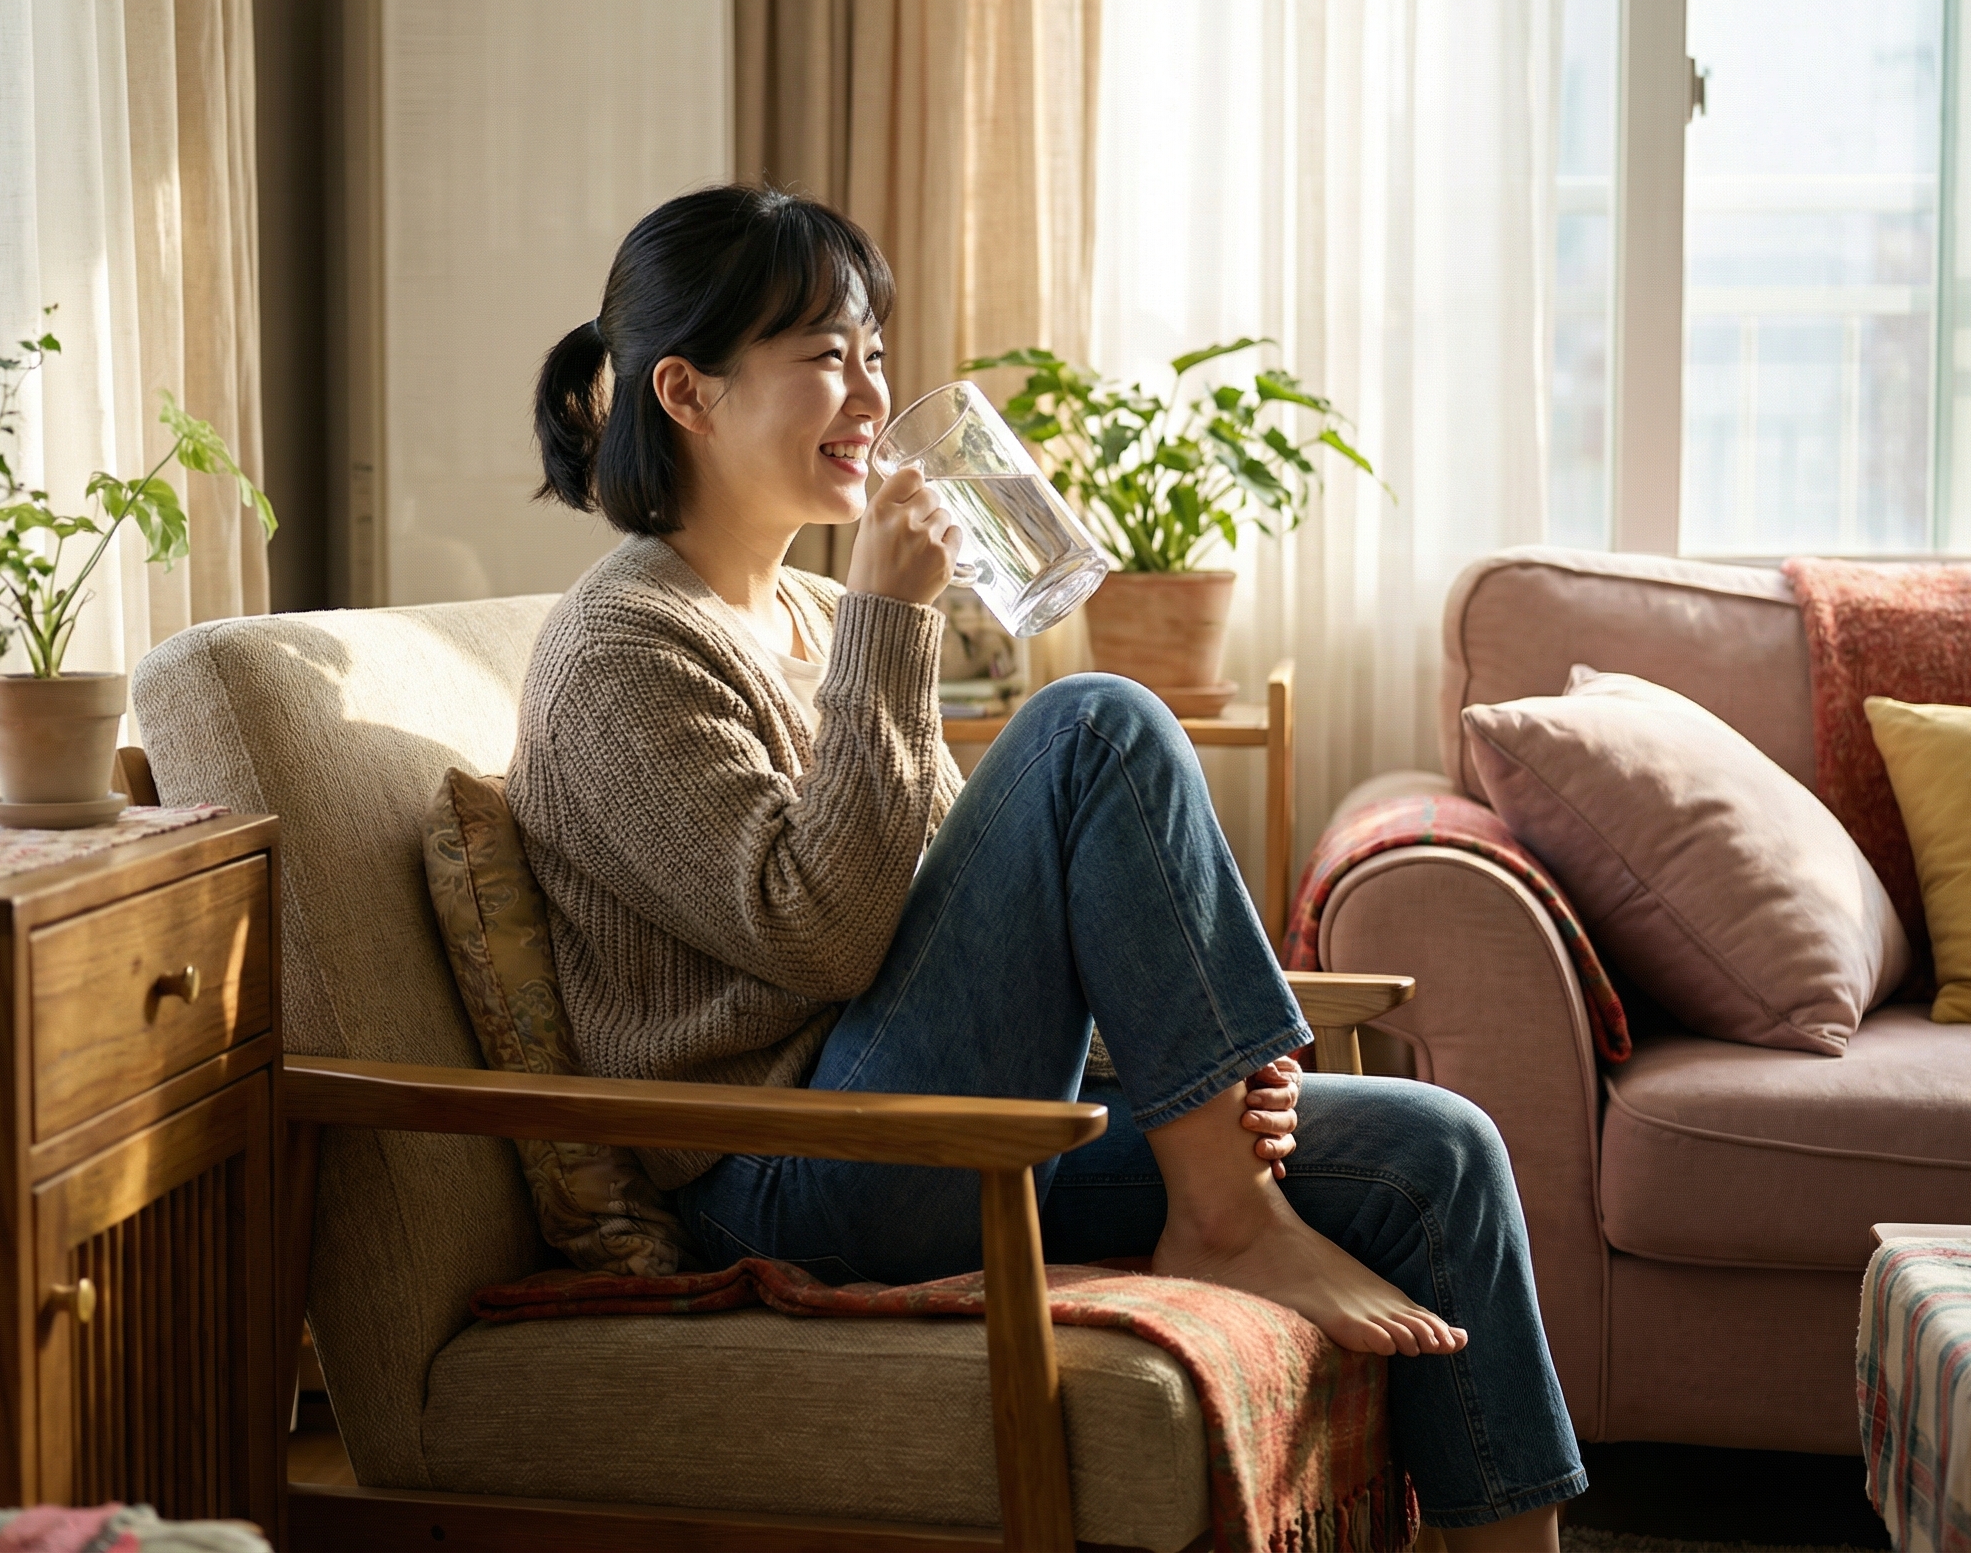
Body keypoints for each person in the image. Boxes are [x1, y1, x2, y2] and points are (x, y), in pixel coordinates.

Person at [507, 184, 1585, 1547]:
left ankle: (1254, 1225)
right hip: (790, 1172)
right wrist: (893, 624)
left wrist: (1200, 1068)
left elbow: (977, 912)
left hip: (944, 1123)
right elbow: (825, 935)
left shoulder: (815, 612)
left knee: (1440, 1154)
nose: (870, 391)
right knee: (1096, 722)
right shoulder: (624, 653)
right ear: (689, 393)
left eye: (875, 353)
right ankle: (1226, 1217)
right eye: (824, 355)